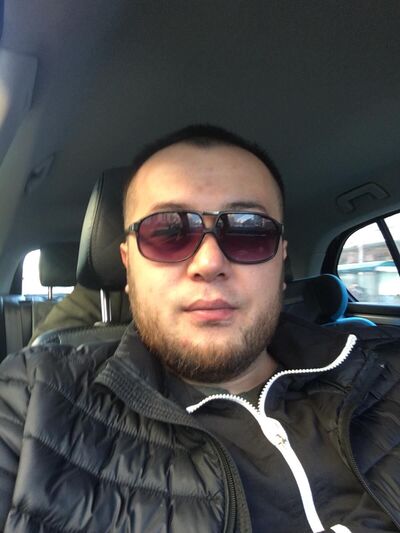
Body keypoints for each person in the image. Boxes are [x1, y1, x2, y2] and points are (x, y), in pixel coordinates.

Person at [0, 125, 399, 533]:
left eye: (248, 230)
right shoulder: (32, 401)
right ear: (128, 266)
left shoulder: (384, 374)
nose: (209, 263)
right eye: (167, 232)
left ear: (281, 260)